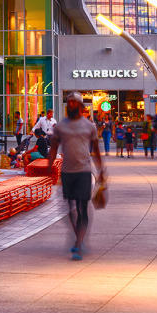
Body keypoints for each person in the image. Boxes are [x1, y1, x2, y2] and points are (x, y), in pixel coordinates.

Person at [48, 93, 105, 260]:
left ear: (81, 106)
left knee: (82, 208)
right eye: (69, 102)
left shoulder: (89, 126)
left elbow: (96, 150)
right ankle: (77, 237)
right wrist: (49, 166)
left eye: (74, 103)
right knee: (70, 208)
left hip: (84, 171)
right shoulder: (60, 126)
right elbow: (53, 148)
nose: (71, 105)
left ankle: (79, 243)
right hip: (67, 172)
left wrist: (102, 170)